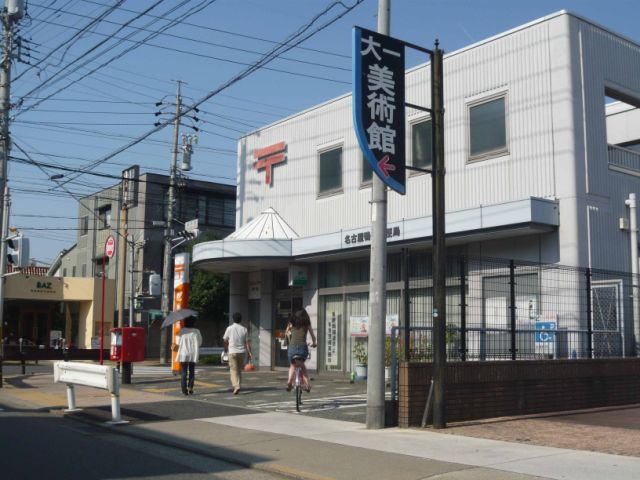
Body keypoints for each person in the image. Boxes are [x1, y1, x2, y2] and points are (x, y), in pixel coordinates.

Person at [286, 308, 317, 392]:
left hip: (292, 348)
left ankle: (289, 381)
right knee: (302, 366)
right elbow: (313, 337)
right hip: (303, 348)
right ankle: (307, 385)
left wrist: (289, 337)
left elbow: (287, 333)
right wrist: (314, 343)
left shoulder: (291, 323)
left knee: (292, 365)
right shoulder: (306, 324)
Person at [223, 312, 252, 394]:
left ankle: (236, 386)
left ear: (233, 319)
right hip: (242, 352)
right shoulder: (244, 329)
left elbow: (225, 339)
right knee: (238, 370)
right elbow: (247, 342)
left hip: (232, 351)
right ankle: (238, 384)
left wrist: (225, 349)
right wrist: (249, 352)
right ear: (240, 319)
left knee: (233, 370)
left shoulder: (229, 328)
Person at [172, 316, 202, 396]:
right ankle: (190, 388)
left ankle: (184, 389)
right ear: (193, 323)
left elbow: (177, 343)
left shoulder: (181, 331)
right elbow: (199, 343)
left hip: (183, 353)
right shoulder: (197, 331)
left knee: (184, 371)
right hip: (193, 353)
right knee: (192, 371)